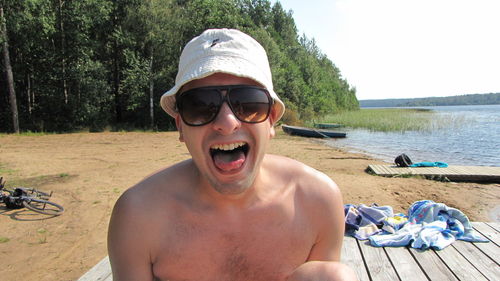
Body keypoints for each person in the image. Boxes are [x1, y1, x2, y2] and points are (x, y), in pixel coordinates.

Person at [108, 28, 357, 281]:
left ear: (271, 121)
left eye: (248, 104)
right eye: (200, 106)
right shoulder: (139, 215)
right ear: (180, 126)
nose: (227, 123)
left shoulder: (317, 200)